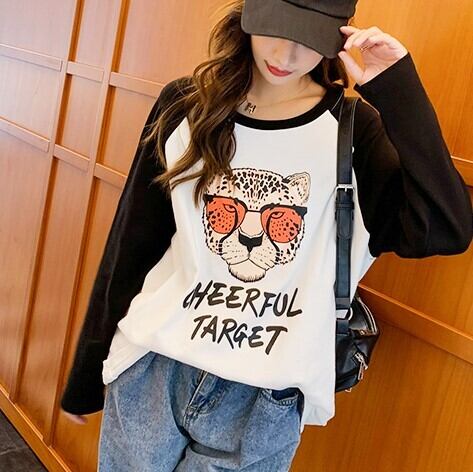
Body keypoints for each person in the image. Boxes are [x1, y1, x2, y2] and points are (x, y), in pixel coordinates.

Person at [60, 0, 473, 470]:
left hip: (266, 396)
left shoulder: (353, 131)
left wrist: (395, 87)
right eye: (275, 28)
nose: (285, 54)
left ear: (337, 35)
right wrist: (86, 375)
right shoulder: (187, 105)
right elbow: (133, 243)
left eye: (307, 37)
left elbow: (445, 228)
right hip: (154, 365)